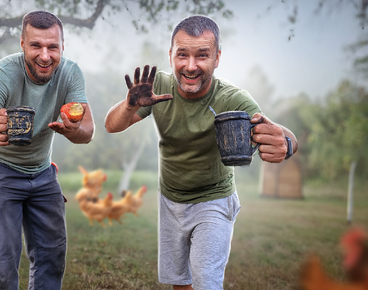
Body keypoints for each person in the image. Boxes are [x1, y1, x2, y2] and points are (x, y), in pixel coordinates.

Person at [104, 15, 298, 290]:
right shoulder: (156, 87)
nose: (191, 66)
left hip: (214, 200)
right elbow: (111, 125)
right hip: (171, 199)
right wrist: (130, 105)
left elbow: (279, 133)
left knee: (206, 282)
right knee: (179, 282)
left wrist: (287, 144)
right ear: (171, 55)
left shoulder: (231, 98)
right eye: (182, 55)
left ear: (217, 58)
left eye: (202, 55)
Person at [0, 10, 94, 290]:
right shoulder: (3, 74)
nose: (45, 55)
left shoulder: (70, 73)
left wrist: (74, 130)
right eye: (36, 46)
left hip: (42, 173)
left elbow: (87, 132)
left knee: (52, 258)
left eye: (52, 47)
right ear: (22, 44)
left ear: (62, 47)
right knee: (1, 268)